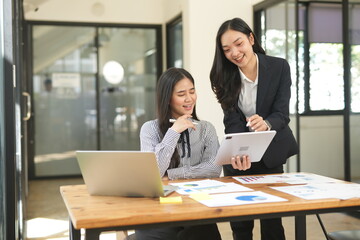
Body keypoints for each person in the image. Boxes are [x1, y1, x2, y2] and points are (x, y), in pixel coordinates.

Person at [209, 18, 299, 240]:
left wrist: (266, 123)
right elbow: (231, 121)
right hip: (239, 157)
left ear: (251, 38)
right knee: (240, 224)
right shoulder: (223, 76)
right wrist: (240, 151)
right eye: (227, 49)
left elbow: (281, 113)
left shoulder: (278, 67)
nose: (235, 53)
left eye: (239, 43)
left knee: (272, 222)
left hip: (271, 153)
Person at [135, 67, 234, 240]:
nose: (189, 99)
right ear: (167, 99)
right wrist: (173, 132)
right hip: (159, 209)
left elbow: (213, 168)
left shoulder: (206, 128)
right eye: (181, 94)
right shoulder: (149, 129)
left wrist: (171, 174)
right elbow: (154, 172)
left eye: (192, 91)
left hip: (196, 206)